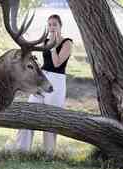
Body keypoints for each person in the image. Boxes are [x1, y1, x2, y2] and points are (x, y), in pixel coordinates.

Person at [5, 14, 73, 156]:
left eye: (54, 24)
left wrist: (53, 46)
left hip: (57, 81)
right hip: (43, 79)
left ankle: (48, 154)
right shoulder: (46, 41)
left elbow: (57, 63)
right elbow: (47, 64)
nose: (52, 27)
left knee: (50, 119)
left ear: (60, 26)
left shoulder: (67, 42)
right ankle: (21, 150)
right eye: (49, 25)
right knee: (29, 113)